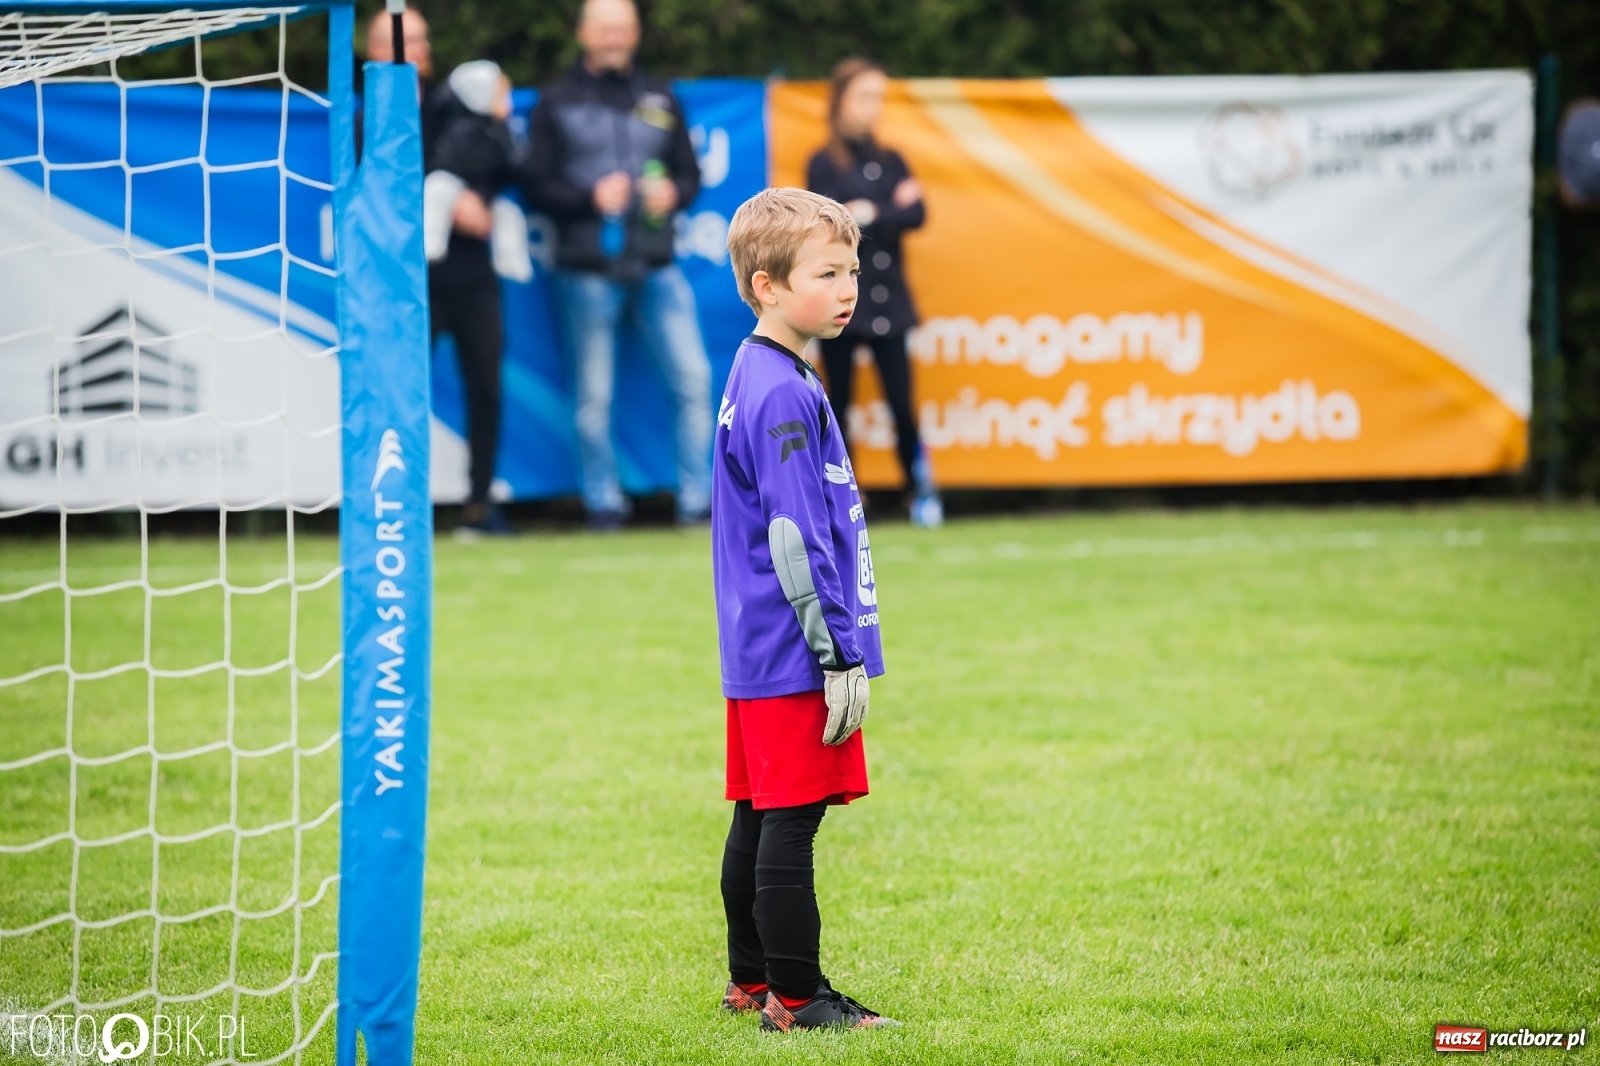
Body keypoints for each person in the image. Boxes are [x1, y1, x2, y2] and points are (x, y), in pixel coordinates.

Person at [712, 187, 896, 1032]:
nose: (847, 286)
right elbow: (792, 534)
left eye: (851, 269)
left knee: (758, 811)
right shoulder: (783, 390)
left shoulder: (761, 368)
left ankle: (750, 979)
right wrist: (837, 653)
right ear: (768, 286)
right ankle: (796, 997)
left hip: (757, 643)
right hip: (794, 647)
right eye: (827, 272)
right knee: (792, 820)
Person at [523, 0, 713, 530]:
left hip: (657, 264)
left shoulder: (660, 95)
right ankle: (602, 504)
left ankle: (698, 503)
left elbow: (690, 176)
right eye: (604, 29)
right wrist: (589, 198)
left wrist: (673, 193)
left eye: (622, 30)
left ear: (634, 35)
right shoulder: (555, 101)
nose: (614, 39)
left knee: (695, 382)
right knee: (594, 396)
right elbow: (533, 185)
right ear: (583, 33)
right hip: (586, 270)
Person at [365, 8, 511, 536]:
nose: (417, 50)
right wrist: (446, 202)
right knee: (402, 392)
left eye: (422, 40)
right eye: (403, 41)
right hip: (408, 282)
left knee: (486, 388)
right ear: (373, 51)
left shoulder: (457, 103)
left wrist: (479, 200)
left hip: (472, 275)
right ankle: (398, 508)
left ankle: (479, 506)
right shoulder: (368, 117)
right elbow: (381, 191)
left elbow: (496, 162)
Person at [806, 58, 943, 528]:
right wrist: (879, 212)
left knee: (902, 406)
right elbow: (827, 225)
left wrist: (870, 213)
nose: (872, 109)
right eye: (864, 97)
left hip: (891, 304)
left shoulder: (892, 159)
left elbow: (917, 214)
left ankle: (918, 489)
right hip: (842, 308)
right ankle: (844, 498)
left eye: (878, 99)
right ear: (840, 101)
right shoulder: (822, 164)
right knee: (837, 407)